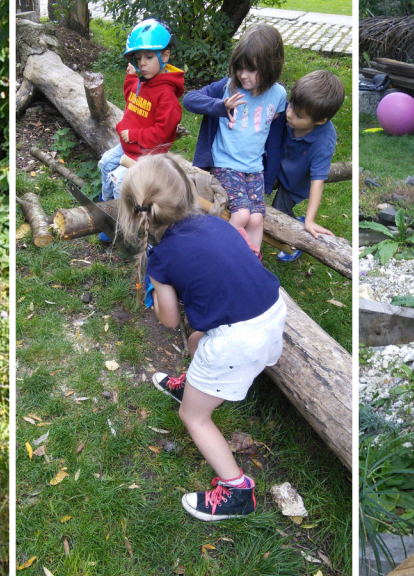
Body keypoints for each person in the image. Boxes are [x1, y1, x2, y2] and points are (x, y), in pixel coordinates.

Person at [116, 155, 287, 521]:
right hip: (273, 314)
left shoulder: (160, 258)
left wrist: (159, 289)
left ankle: (237, 490)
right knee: (197, 340)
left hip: (240, 341)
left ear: (135, 213)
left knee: (192, 417)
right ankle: (194, 383)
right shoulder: (217, 223)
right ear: (186, 193)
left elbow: (168, 320)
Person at [184, 24, 287, 256]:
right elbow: (190, 99)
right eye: (239, 68)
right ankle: (217, 255)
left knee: (257, 218)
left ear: (270, 68)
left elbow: (276, 137)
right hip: (226, 164)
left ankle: (250, 264)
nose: (242, 75)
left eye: (251, 70)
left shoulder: (279, 95)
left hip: (254, 168)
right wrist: (219, 106)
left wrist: (269, 177)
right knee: (241, 215)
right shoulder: (228, 87)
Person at [96, 18, 184, 245]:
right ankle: (108, 213)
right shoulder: (142, 80)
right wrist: (131, 77)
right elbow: (131, 99)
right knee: (105, 163)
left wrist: (135, 135)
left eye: (148, 57)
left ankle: (128, 229)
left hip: (147, 155)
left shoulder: (167, 96)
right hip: (128, 147)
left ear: (164, 57)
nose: (142, 63)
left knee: (119, 182)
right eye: (138, 59)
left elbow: (163, 134)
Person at [263, 70, 345, 262]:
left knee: (280, 215)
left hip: (296, 182)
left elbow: (318, 181)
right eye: (290, 105)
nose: (289, 114)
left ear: (320, 121)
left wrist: (310, 220)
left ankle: (297, 233)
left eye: (298, 115)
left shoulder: (324, 142)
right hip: (276, 166)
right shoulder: (290, 112)